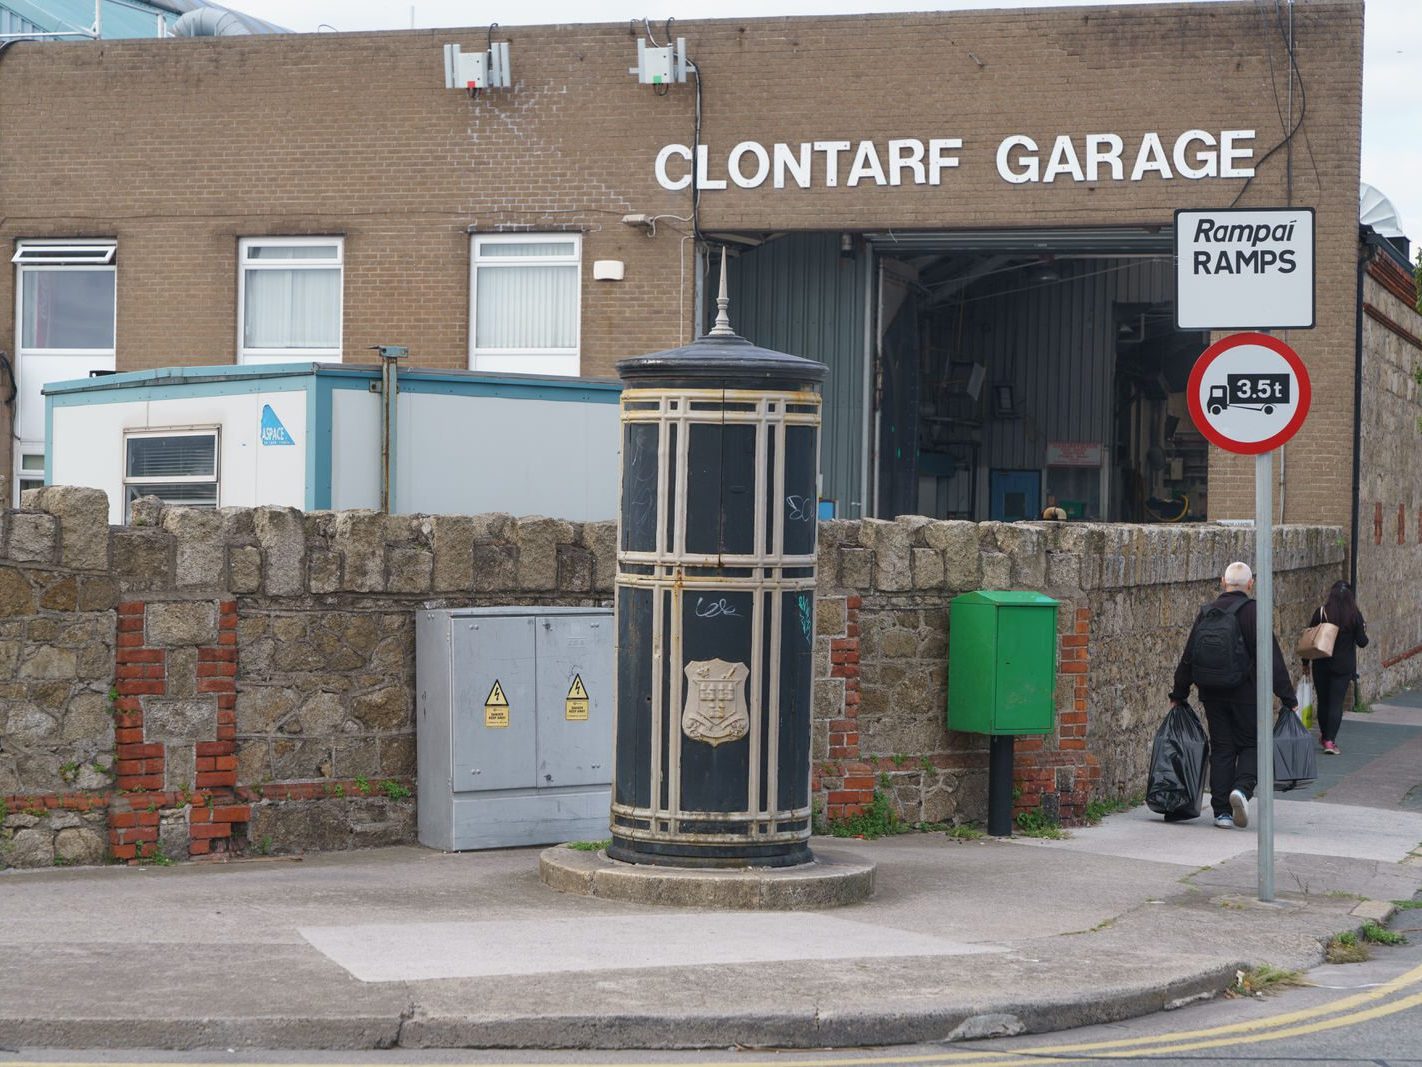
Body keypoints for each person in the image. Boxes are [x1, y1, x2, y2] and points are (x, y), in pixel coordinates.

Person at [1170, 561, 1298, 830]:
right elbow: (1271, 658)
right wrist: (1288, 697)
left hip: (1212, 692)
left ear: (1222, 582)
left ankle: (1221, 813)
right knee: (1253, 744)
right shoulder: (1254, 613)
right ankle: (1241, 789)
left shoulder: (1208, 612)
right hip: (1247, 694)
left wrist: (1179, 693)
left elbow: (1189, 655)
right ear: (1250, 584)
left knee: (1222, 748)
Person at [1304, 580, 1369, 756]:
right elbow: (1362, 642)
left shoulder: (1321, 612)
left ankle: (1325, 735)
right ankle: (1330, 740)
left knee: (1324, 701)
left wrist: (1305, 663)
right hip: (1343, 666)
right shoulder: (1355, 615)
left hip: (1321, 663)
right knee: (1336, 703)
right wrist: (1362, 629)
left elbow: (1309, 637)